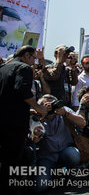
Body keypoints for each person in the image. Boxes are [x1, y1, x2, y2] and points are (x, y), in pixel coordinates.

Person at [0, 46, 49, 193]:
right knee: (13, 162)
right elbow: (23, 91)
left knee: (4, 160)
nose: (34, 62)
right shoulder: (24, 68)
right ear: (26, 55)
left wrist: (29, 109)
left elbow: (8, 96)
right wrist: (39, 108)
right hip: (15, 124)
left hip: (3, 121)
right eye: (33, 58)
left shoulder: (3, 68)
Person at [33, 94, 86, 191]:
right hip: (47, 156)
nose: (50, 107)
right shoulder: (37, 116)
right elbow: (35, 139)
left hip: (65, 151)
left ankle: (71, 173)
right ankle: (52, 176)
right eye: (46, 105)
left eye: (52, 104)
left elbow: (82, 123)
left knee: (73, 154)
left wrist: (65, 113)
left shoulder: (63, 110)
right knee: (40, 186)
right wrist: (42, 117)